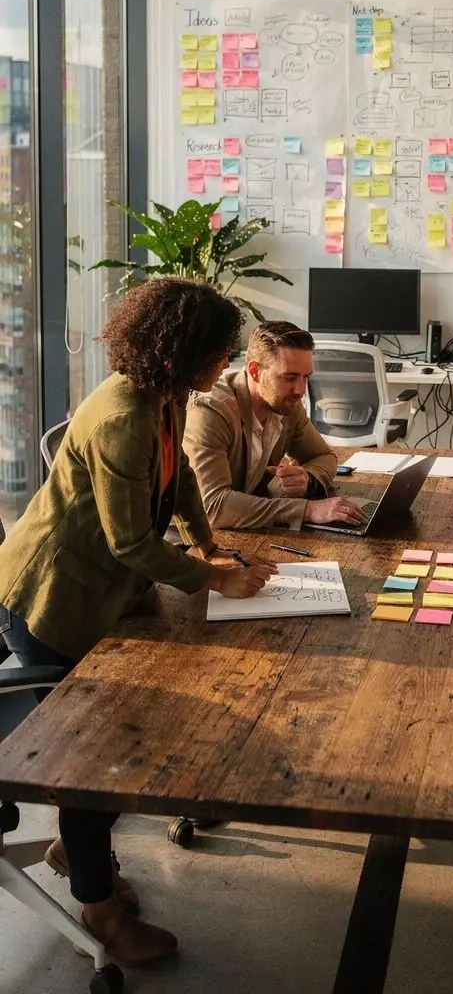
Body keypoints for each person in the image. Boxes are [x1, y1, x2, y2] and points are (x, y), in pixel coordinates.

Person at [0, 278, 275, 968]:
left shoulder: (166, 397)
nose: (224, 365)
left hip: (104, 591)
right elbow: (129, 543)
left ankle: (76, 847)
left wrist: (209, 543)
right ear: (182, 350)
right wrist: (217, 577)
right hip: (52, 596)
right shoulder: (123, 412)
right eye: (217, 352)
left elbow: (178, 478)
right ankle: (99, 911)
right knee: (94, 759)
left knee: (131, 737)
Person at [183, 320, 364, 531]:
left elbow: (325, 457)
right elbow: (214, 506)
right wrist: (308, 510)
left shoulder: (286, 404)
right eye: (289, 377)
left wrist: (308, 479)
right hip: (187, 542)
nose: (301, 390)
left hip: (246, 531)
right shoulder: (210, 410)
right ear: (254, 371)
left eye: (306, 377)